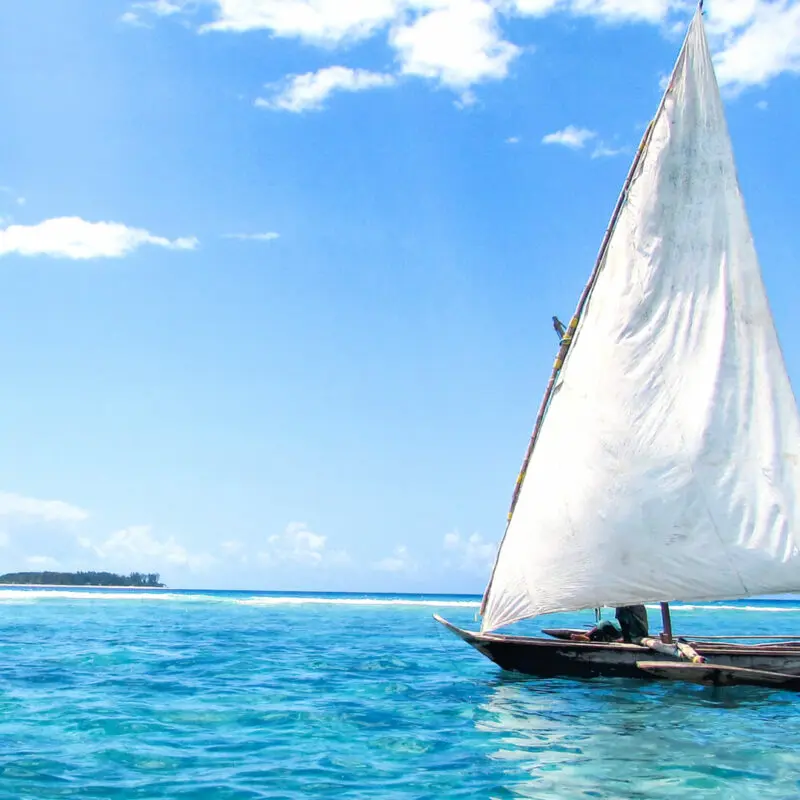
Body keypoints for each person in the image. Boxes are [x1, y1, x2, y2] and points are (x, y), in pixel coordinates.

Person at [570, 605, 649, 644]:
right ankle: (587, 635)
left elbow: (630, 621)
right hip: (626, 631)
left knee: (618, 613)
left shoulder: (634, 606)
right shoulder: (624, 607)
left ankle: (625, 639)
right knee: (604, 623)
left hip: (636, 634)